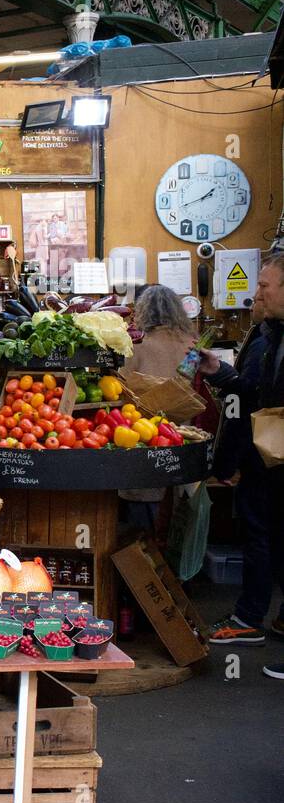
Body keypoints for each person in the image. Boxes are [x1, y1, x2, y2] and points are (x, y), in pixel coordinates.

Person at [198, 254, 284, 671]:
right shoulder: (272, 334)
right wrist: (219, 373)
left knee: (261, 535)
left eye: (266, 286)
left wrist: (226, 460)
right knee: (270, 535)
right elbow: (250, 394)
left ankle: (250, 619)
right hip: (269, 454)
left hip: (271, 456)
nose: (257, 292)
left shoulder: (271, 338)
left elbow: (246, 406)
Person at [118, 285, 198, 528]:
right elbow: (192, 381)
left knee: (142, 512)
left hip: (146, 436)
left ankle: (144, 558)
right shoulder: (192, 344)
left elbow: (121, 385)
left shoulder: (137, 344)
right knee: (175, 511)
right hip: (184, 436)